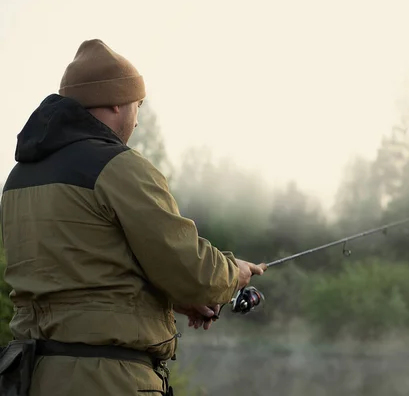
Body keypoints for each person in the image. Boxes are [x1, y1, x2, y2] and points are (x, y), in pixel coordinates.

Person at [0, 39, 266, 395]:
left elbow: (79, 278)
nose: (137, 121)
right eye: (136, 105)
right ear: (114, 102)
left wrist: (171, 300)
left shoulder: (18, 178)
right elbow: (193, 270)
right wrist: (234, 273)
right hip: (108, 381)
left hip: (34, 378)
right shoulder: (118, 167)